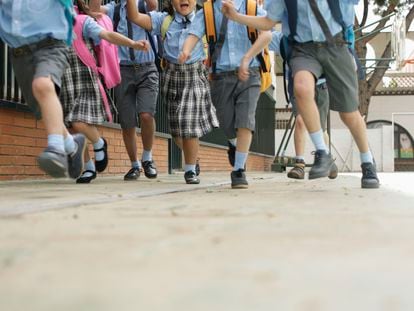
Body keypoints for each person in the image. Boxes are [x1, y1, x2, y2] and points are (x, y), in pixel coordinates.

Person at [222, 0, 380, 188]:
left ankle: (367, 161)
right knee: (301, 87)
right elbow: (268, 22)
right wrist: (236, 16)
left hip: (336, 45)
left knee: (349, 114)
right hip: (304, 50)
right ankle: (322, 153)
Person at [179, 0, 271, 189]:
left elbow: (267, 34)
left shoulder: (251, 7)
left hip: (249, 73)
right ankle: (234, 144)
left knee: (245, 120)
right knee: (226, 121)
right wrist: (186, 51)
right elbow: (194, 33)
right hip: (219, 76)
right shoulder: (208, 10)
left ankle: (238, 170)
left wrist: (248, 57)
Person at [125, 0, 219, 184]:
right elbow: (134, 16)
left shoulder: (205, 18)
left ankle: (190, 170)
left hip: (194, 74)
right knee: (177, 132)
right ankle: (193, 158)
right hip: (171, 75)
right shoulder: (163, 21)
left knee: (189, 125)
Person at [61, 0, 150, 184]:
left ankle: (100, 143)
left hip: (84, 79)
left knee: (78, 122)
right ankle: (89, 167)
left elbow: (108, 35)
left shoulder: (83, 21)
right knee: (72, 126)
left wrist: (132, 43)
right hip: (66, 81)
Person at [0, 0, 86, 179]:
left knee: (42, 85)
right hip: (20, 53)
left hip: (52, 44)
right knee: (43, 109)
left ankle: (56, 150)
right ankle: (72, 145)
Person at [240, 30, 337, 180]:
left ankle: (326, 158)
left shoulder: (320, 31)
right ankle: (299, 164)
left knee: (320, 127)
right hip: (297, 84)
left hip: (321, 85)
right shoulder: (283, 37)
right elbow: (262, 36)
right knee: (300, 121)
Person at [89, 0, 159, 181]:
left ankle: (148, 158)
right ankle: (135, 165)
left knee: (146, 114)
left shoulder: (145, 5)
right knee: (127, 122)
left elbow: (154, 5)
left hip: (147, 67)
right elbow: (94, 11)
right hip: (123, 70)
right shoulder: (114, 8)